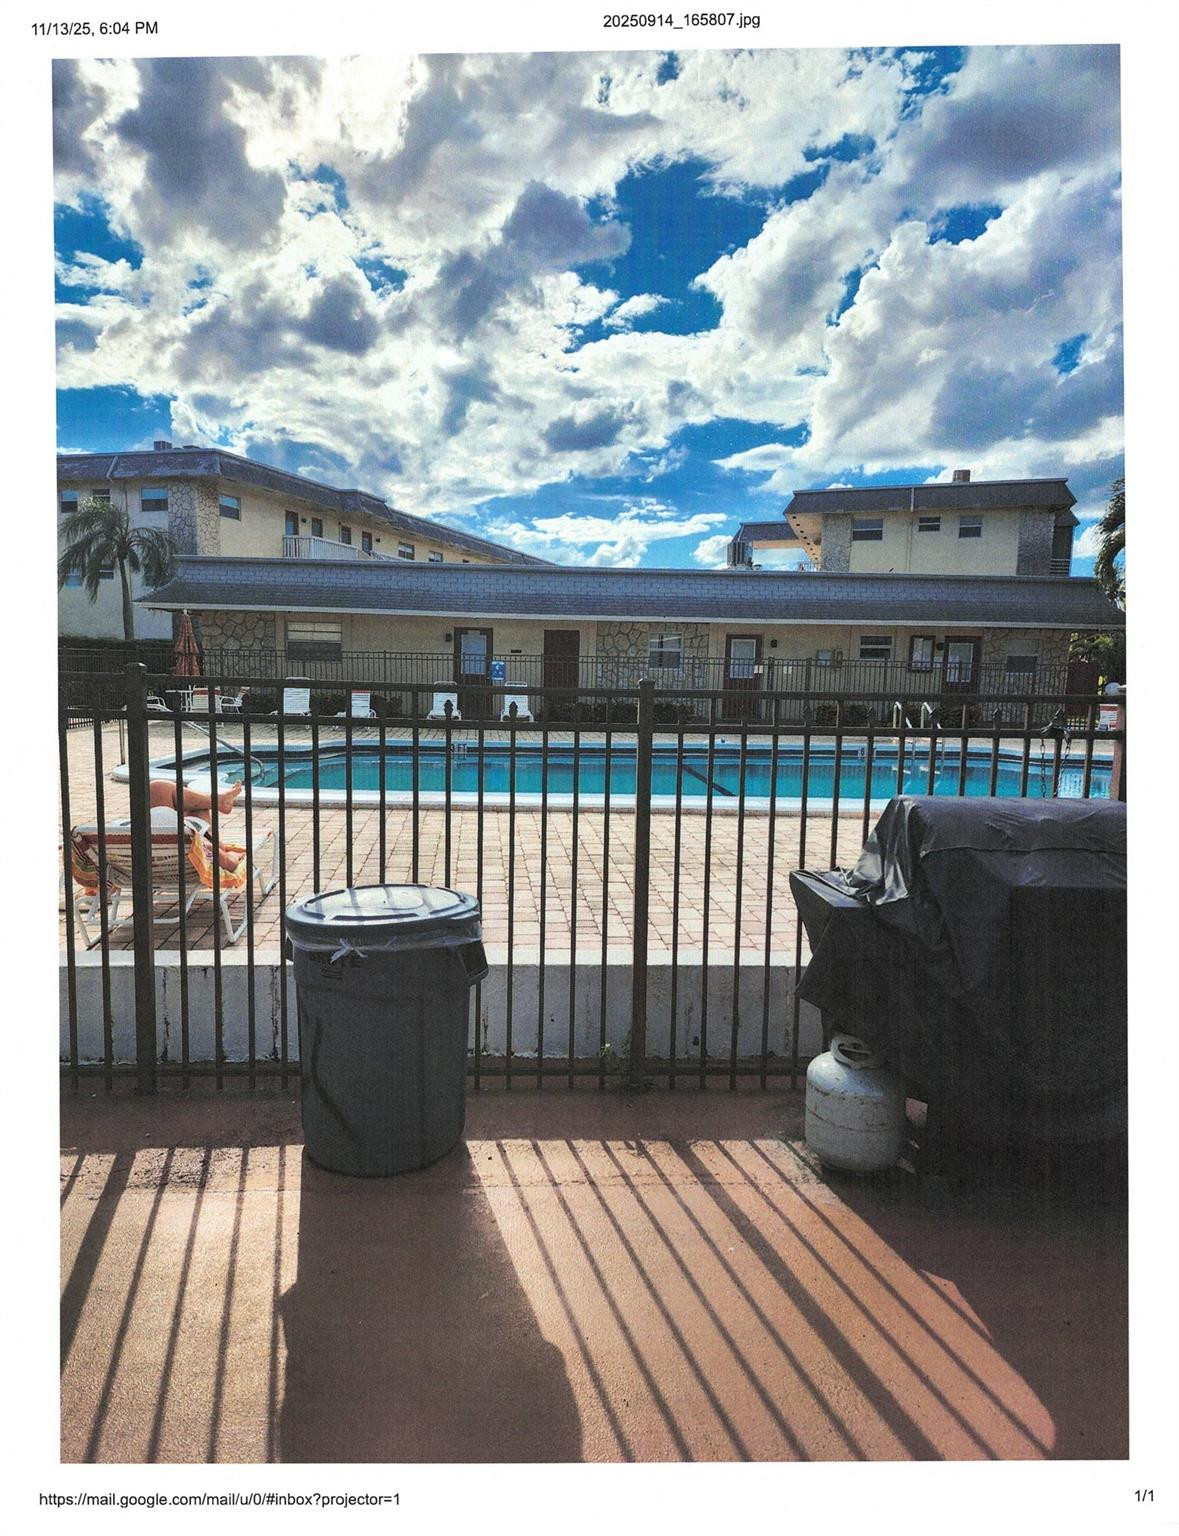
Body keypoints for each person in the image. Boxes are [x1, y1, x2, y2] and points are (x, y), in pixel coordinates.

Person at [149, 779, 244, 871]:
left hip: (159, 829)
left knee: (157, 788)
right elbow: (230, 863)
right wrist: (234, 855)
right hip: (189, 835)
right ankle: (219, 801)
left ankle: (219, 801)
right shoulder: (199, 846)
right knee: (198, 808)